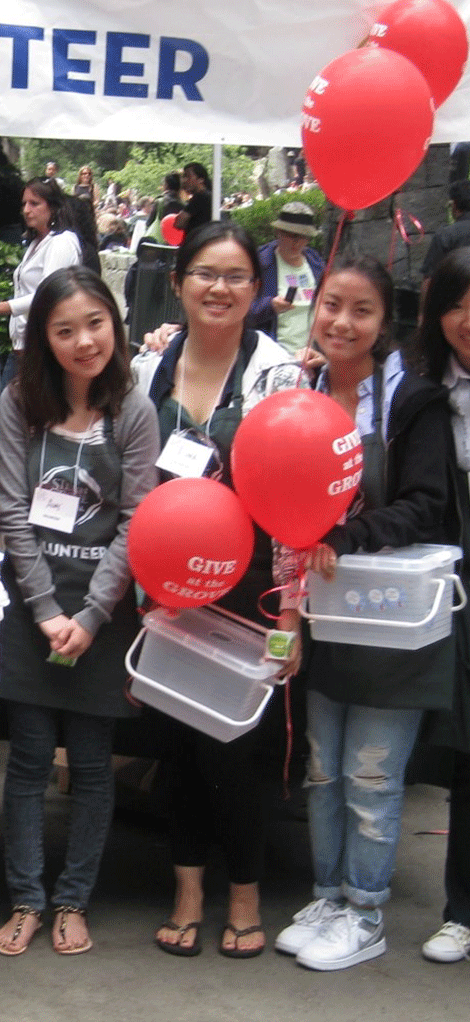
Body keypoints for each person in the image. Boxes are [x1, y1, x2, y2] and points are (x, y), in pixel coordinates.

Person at [274, 255, 451, 971]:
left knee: (373, 776)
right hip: (323, 616)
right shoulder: (300, 389)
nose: (343, 322)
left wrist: (346, 536)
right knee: (324, 770)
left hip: (390, 616)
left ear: (385, 324)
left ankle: (366, 910)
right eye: (332, 305)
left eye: (362, 310)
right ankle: (327, 896)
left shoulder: (413, 399)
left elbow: (426, 504)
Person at [132, 221, 301, 960]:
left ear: (256, 290)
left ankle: (244, 895)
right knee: (181, 747)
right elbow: (134, 487)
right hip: (170, 589)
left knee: (240, 752)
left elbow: (299, 507)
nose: (220, 288)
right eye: (205, 273)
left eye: (236, 276)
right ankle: (188, 890)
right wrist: (141, 589)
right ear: (178, 283)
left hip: (254, 590)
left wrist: (291, 614)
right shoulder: (148, 376)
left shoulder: (281, 377)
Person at [0, 267, 159, 957]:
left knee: (90, 763)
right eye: (64, 329)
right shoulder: (18, 404)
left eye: (95, 323)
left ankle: (73, 900)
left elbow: (137, 521)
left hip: (104, 614)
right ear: (42, 339)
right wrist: (44, 608)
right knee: (29, 759)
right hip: (32, 611)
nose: (83, 340)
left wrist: (89, 616)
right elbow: (10, 511)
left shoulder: (133, 411)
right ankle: (26, 898)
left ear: (115, 328)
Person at [408, 249, 470, 966]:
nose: (467, 320)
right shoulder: (426, 394)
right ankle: (461, 910)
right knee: (468, 758)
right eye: (457, 303)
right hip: (457, 593)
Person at [0, 180, 82, 383]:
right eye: (24, 204)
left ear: (52, 207)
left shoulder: (62, 242)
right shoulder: (36, 242)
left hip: (44, 349)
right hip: (21, 347)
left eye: (35, 204)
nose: (26, 210)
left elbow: (48, 294)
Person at [247, 202, 326, 350]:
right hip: (274, 355)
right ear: (278, 232)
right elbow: (240, 312)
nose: (296, 242)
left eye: (303, 236)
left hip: (311, 356)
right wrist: (270, 306)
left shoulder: (316, 263)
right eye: (290, 235)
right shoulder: (261, 264)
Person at [421, 180, 470, 302]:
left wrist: (423, 315)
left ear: (454, 205)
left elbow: (429, 280)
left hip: (454, 302)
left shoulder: (446, 235)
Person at [174, 163, 213, 238]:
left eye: (188, 176)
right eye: (183, 176)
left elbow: (178, 223)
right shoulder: (209, 196)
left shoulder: (200, 197)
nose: (184, 180)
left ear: (200, 179)